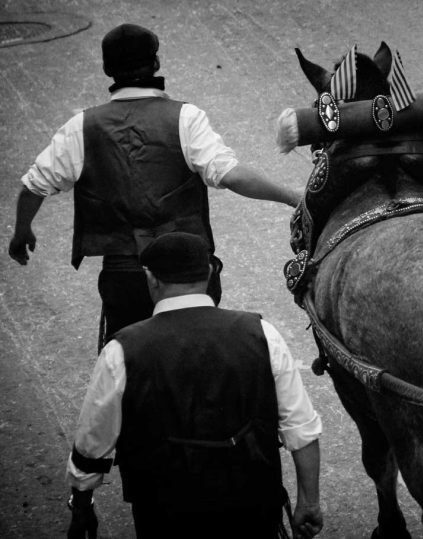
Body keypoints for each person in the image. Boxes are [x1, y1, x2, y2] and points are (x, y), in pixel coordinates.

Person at [8, 23, 302, 349]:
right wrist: (293, 197)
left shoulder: (81, 127)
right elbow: (230, 175)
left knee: (128, 363)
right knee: (198, 358)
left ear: (108, 69)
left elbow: (34, 186)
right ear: (156, 63)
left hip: (124, 275)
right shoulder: (185, 118)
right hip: (187, 273)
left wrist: (22, 232)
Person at [65, 232, 323, 539]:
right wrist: (308, 501)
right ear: (211, 272)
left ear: (150, 277)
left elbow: (92, 445)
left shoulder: (121, 351)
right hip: (253, 510)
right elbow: (301, 428)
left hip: (164, 516)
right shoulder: (261, 333)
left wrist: (82, 506)